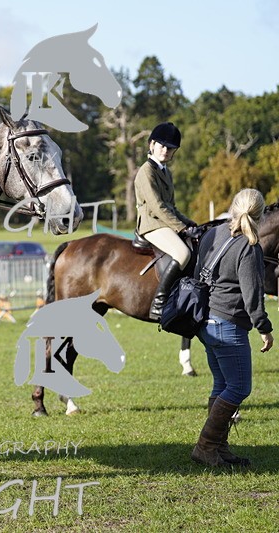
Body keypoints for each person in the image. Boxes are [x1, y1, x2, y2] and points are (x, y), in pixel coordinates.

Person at [191, 188, 273, 467]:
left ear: (233, 208)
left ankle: (219, 447)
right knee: (239, 387)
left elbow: (198, 273)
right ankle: (205, 446)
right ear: (260, 215)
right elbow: (253, 296)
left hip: (206, 322)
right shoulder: (249, 247)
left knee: (223, 383)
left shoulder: (213, 234)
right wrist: (264, 327)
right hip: (228, 324)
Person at [134, 122, 196, 320]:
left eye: (171, 148)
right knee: (182, 252)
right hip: (151, 223)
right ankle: (159, 302)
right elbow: (157, 206)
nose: (166, 150)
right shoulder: (146, 171)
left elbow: (172, 207)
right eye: (162, 146)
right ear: (152, 145)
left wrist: (192, 224)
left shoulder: (166, 172)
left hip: (163, 221)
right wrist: (182, 228)